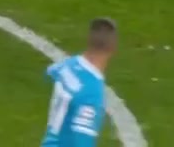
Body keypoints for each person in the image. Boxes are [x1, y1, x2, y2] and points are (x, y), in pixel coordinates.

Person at [41, 17, 118, 146]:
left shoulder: (66, 65)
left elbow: (48, 74)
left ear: (89, 41)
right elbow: (82, 141)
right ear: (113, 48)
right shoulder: (91, 92)